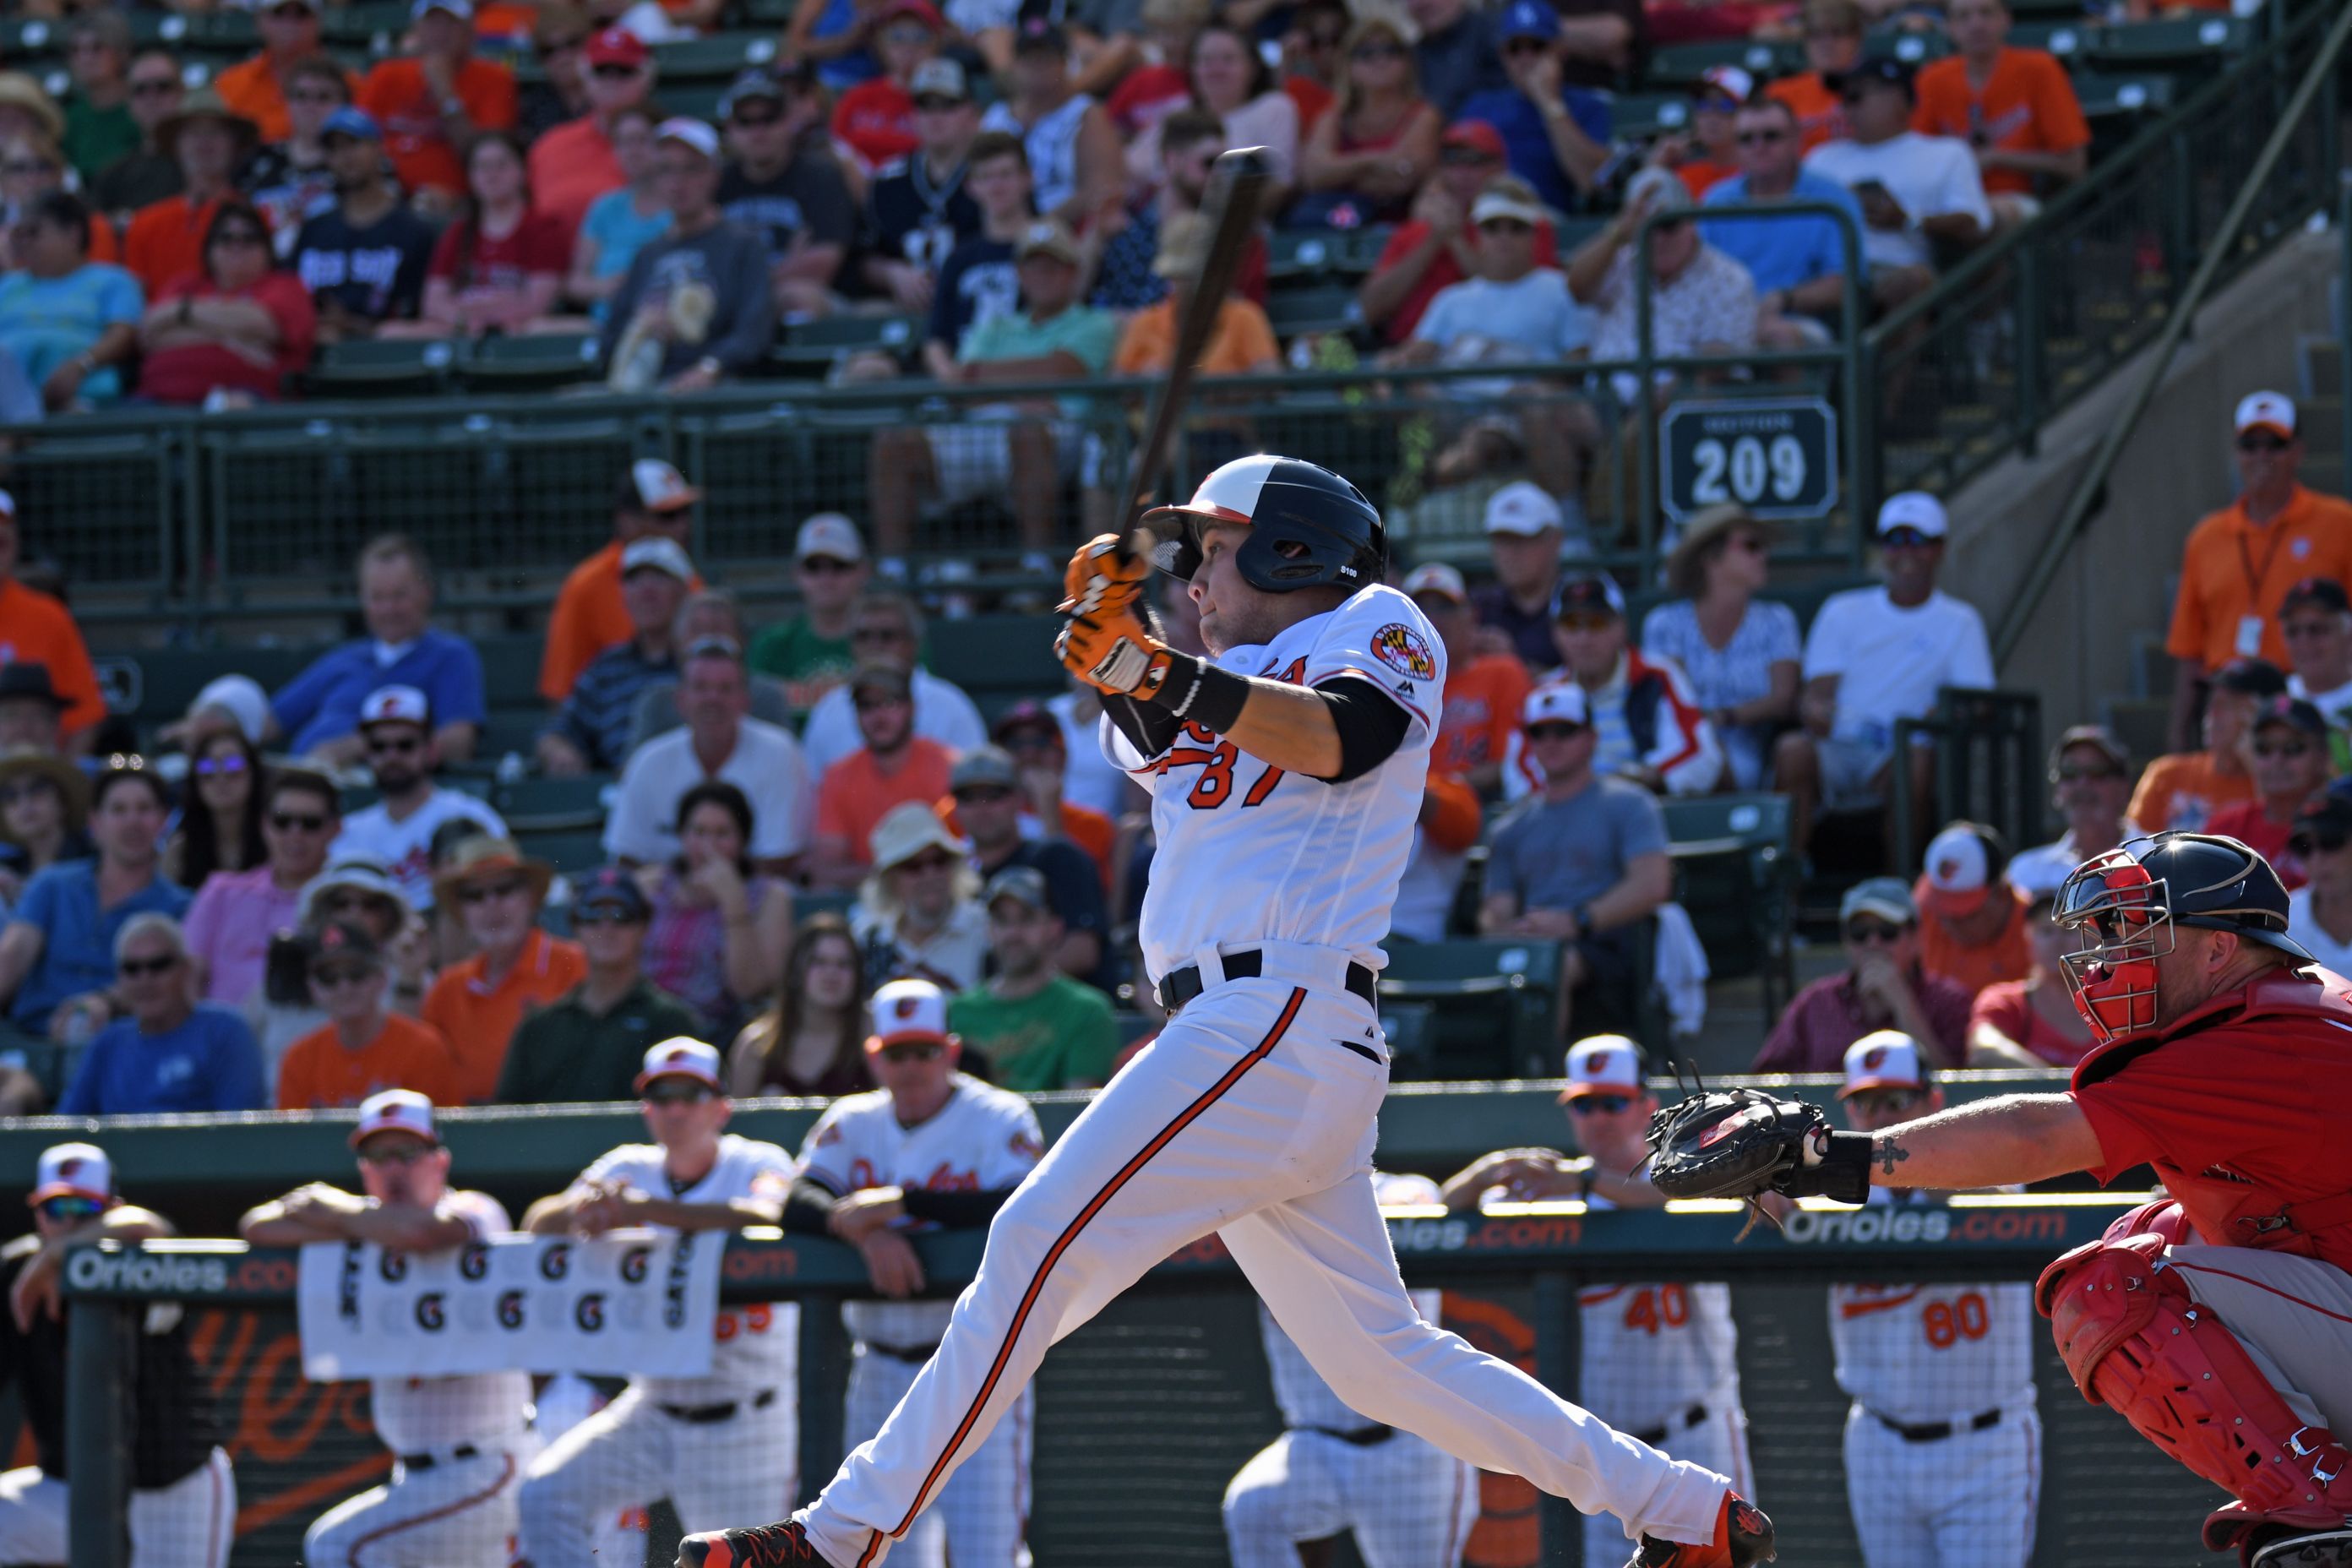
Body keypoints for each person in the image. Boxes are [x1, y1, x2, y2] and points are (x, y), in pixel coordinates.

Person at [679, 451, 1772, 1568]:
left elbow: (1339, 735)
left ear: (1291, 546)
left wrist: (1152, 663)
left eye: (1212, 552)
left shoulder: (1377, 620)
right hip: (1253, 1035)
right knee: (1379, 1362)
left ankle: (843, 1537)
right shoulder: (1221, 672)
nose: (1195, 580)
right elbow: (1155, 732)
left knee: (1033, 1237)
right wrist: (1111, 636)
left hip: (1278, 1010)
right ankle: (1686, 1511)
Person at [1725, 831, 2352, 1568]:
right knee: (2156, 1225)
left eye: (2133, 928)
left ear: (2218, 948)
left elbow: (2035, 1135)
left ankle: (2324, 1497)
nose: (2109, 954)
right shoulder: (2288, 1006)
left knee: (2113, 1283)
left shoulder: (2259, 1039)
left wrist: (1831, 1159)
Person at [1440, 1036, 1753, 1568]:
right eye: (1585, 1105)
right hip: (1608, 1453)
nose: (1599, 1119)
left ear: (1647, 1106)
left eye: (1612, 1103)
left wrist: (1584, 1180)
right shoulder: (1557, 1189)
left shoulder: (1684, 1172)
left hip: (1697, 1432)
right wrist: (1487, 1172)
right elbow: (1443, 1212)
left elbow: (1695, 1195)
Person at [782, 979, 1045, 1563]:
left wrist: (903, 1203)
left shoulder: (997, 1115)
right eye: (898, 1053)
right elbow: (797, 1200)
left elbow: (1022, 1200)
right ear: (875, 1057)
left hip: (977, 1363)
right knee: (881, 1553)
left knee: (987, 1554)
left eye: (925, 1051)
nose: (912, 1067)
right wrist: (862, 1230)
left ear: (950, 1051)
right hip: (878, 1365)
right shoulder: (853, 1120)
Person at [517, 1038, 798, 1565]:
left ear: (721, 1107)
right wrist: (585, 1208)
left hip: (743, 1419)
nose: (676, 1109)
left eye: (691, 1095)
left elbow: (770, 1216)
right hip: (652, 1408)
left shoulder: (755, 1160)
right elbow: (539, 1224)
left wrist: (645, 1210)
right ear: (646, 1108)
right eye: (663, 1096)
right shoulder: (628, 1166)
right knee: (544, 1497)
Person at [241, 1090, 537, 1566]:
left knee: (336, 1546)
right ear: (364, 1168)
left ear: (440, 1161)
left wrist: (339, 1213)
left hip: (488, 1465)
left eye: (408, 1153)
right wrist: (354, 1220)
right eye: (379, 1156)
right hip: (416, 1475)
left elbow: (425, 1233)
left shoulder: (478, 1209)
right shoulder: (361, 1222)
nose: (394, 1168)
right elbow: (257, 1225)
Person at [1824, 1032, 2042, 1568]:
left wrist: (1896, 1158)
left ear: (1934, 1102)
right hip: (1878, 1441)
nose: (1880, 1118)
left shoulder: (1986, 1166)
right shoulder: (1830, 1193)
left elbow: (1991, 1195)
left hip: (1983, 1442)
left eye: (1896, 1101)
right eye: (1865, 1104)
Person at [1223, 1169, 1479, 1566]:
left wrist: (1474, 1181)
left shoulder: (1401, 1191)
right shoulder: (1262, 1199)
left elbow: (1411, 1208)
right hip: (1316, 1446)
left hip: (1410, 1446)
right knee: (1253, 1508)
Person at [0, 1142, 237, 1568]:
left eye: (85, 1209)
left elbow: (147, 1226)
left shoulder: (139, 1258)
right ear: (36, 1213)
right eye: (55, 1209)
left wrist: (59, 1253)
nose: (69, 1222)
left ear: (112, 1208)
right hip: (73, 1493)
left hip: (172, 1492)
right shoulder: (16, 1274)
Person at [871, 217, 1118, 565]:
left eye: (1053, 266)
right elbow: (962, 383)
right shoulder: (995, 326)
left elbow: (1061, 370)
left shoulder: (1096, 323)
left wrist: (988, 378)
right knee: (894, 440)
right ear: (1020, 274)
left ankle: (1035, 566)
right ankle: (892, 571)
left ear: (1073, 272)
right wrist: (1022, 387)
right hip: (979, 430)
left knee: (1027, 431)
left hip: (1057, 434)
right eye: (1033, 267)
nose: (1042, 275)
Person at [1776, 493, 1993, 858]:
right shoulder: (1842, 610)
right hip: (1837, 749)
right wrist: (1815, 709)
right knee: (1791, 751)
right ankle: (1785, 884)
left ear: (1939, 549)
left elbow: (1977, 703)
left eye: (1917, 540)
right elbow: (1816, 693)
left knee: (1916, 759)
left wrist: (1934, 718)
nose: (1906, 551)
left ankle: (1901, 884)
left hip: (1899, 754)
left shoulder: (1961, 621)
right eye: (1894, 540)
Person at [1481, 683, 1673, 1037]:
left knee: (1551, 966)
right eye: (1539, 733)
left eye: (1564, 731)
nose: (1550, 742)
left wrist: (1577, 921)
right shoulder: (1509, 828)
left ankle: (1541, 1069)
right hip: (1534, 943)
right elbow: (1496, 912)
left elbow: (1652, 885)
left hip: (1607, 943)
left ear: (1591, 738)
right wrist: (1515, 931)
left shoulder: (1631, 804)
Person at [2165, 392, 2352, 753]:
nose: (2261, 456)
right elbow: (2189, 649)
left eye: (2275, 445)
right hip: (2227, 700)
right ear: (2236, 453)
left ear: (2298, 451)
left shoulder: (2340, 522)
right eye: (2250, 446)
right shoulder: (2206, 538)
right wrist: (2178, 736)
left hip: (2305, 698)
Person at [1387, 180, 1595, 503]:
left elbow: (1579, 359)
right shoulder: (1451, 299)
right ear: (1478, 235)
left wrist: (1531, 387)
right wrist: (1392, 364)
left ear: (1533, 235)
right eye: (1492, 227)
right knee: (1390, 387)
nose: (1504, 236)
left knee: (1510, 423)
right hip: (1454, 405)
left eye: (1516, 228)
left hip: (1523, 408)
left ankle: (1567, 517)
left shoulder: (1559, 290)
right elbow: (1417, 355)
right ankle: (1402, 500)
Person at [0, 765, 188, 1040]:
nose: (132, 821)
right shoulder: (52, 884)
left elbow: (172, 984)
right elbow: (12, 956)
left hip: (118, 1044)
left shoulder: (181, 907)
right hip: (29, 1040)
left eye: (144, 809)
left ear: (163, 821)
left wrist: (107, 1002)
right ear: (95, 823)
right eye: (119, 810)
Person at [270, 536, 488, 764]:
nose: (388, 609)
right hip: (299, 775)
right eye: (377, 597)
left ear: (426, 593)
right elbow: (270, 721)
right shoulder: (344, 658)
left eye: (399, 595)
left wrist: (357, 748)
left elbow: (458, 744)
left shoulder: (450, 656)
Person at [607, 636, 815, 873]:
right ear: (681, 700)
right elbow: (627, 856)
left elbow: (782, 861)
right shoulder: (649, 760)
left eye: (725, 689)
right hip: (665, 894)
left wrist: (718, 889)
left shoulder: (781, 754)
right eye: (700, 687)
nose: (713, 699)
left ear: (745, 700)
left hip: (756, 894)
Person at [498, 866, 702, 1102]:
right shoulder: (539, 1029)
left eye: (622, 915)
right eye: (592, 915)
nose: (607, 928)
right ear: (576, 926)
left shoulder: (671, 1022)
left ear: (644, 926)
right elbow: (508, 1117)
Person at [602, 117, 776, 393]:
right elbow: (610, 338)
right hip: (646, 386)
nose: (677, 182)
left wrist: (710, 367)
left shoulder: (743, 245)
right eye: (666, 170)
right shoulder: (648, 254)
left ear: (714, 174)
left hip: (716, 391)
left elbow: (753, 331)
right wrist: (641, 326)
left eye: (691, 169)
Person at [1803, 58, 1990, 312]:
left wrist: (1906, 220)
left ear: (1900, 99)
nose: (1845, 106)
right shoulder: (1821, 157)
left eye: (1856, 96)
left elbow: (1974, 223)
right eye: (1844, 98)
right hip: (1825, 272)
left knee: (1912, 281)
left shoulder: (1946, 153)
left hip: (1894, 269)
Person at [1512, 573, 1721, 798]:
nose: (1584, 638)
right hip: (1565, 812)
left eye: (1597, 623)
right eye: (1571, 625)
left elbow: (1701, 755)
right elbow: (1518, 772)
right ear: (1555, 634)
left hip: (1645, 807)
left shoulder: (1658, 676)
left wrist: (1637, 778)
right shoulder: (1543, 694)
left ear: (1620, 627)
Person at [1568, 166, 1759, 408]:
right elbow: (1575, 286)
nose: (1658, 238)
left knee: (1693, 394)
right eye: (1645, 226)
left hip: (1682, 408)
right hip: (1605, 403)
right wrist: (1617, 233)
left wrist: (1652, 408)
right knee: (1540, 401)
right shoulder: (1617, 260)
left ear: (1691, 220)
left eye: (1668, 225)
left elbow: (1716, 361)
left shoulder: (1729, 277)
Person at [1642, 506, 1800, 792]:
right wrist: (1704, 733)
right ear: (1711, 557)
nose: (1763, 556)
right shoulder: (1664, 623)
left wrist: (1724, 718)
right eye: (1751, 546)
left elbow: (1783, 699)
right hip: (1680, 746)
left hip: (1752, 753)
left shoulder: (1778, 620)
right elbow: (1670, 697)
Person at [1358, 117, 1557, 346]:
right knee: (1331, 350)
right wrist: (1433, 239)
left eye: (1476, 161)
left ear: (1501, 167)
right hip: (1410, 353)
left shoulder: (1521, 225)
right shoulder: (1415, 231)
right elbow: (1369, 310)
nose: (1464, 173)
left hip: (1497, 349)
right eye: (1453, 161)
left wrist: (1455, 239)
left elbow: (1520, 297)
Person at [421, 837, 587, 1101]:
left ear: (531, 898)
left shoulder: (576, 965)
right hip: (468, 1122)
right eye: (475, 895)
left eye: (504, 889)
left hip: (554, 1117)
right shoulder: (447, 988)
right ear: (461, 911)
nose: (491, 904)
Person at [1752, 876, 1973, 1071]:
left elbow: (1959, 1089)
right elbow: (1766, 1081)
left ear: (1916, 939)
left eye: (1887, 932)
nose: (1873, 943)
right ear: (1845, 940)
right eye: (1860, 933)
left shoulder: (1950, 1001)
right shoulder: (1814, 1003)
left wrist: (1903, 1004)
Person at [54, 914, 264, 1113]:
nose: (145, 980)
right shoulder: (108, 1044)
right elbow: (65, 1127)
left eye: (159, 965)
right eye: (132, 968)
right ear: (119, 978)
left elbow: (239, 1129)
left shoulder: (225, 1032)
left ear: (186, 969)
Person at [1701, 95, 1862, 349]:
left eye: (1771, 136)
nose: (1759, 146)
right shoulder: (1717, 200)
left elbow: (1846, 283)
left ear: (1797, 139)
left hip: (1802, 320)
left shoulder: (1833, 198)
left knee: (1777, 335)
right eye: (1746, 139)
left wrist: (1784, 299)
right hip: (1725, 322)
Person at [1911, 0, 2087, 231]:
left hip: (2022, 201)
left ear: (2006, 19)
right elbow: (1915, 157)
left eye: (1986, 13)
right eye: (1963, 16)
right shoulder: (1932, 78)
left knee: (1988, 214)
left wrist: (1996, 158)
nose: (1976, 24)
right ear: (1949, 27)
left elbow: (2074, 164)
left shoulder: (2040, 68)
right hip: (1949, 203)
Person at [329, 685, 509, 912]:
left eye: (405, 745)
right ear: (366, 753)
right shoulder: (348, 831)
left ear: (431, 749)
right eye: (379, 746)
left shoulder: (471, 815)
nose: (391, 756)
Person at [636, 780, 793, 1037]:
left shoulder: (769, 897)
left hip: (713, 1029)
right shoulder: (649, 886)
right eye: (698, 832)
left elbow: (750, 988)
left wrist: (734, 906)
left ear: (743, 840)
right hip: (642, 1019)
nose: (708, 847)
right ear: (682, 835)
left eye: (722, 834)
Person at [540, 458, 701, 704]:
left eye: (685, 513)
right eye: (668, 515)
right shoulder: (586, 585)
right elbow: (562, 694)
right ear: (627, 520)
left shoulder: (689, 578)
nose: (682, 525)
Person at [134, 197, 317, 406]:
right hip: (155, 397)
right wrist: (230, 338)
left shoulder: (285, 286)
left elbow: (264, 325)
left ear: (267, 247)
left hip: (249, 399)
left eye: (249, 238)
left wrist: (182, 314)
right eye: (225, 238)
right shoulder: (184, 286)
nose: (237, 246)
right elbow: (148, 335)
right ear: (209, 247)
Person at [947, 866, 1119, 1088]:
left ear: (1055, 928)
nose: (1013, 933)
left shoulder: (1087, 1011)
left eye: (1026, 919)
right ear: (989, 929)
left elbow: (1078, 1104)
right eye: (1002, 920)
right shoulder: (958, 1011)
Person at [182, 764, 339, 1005]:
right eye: (282, 821)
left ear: (335, 829)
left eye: (310, 823)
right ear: (264, 824)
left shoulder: (345, 903)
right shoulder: (221, 893)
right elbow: (186, 978)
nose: (295, 834)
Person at [1092, 106, 1273, 315]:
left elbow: (1241, 318)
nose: (1219, 174)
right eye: (1209, 163)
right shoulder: (1127, 231)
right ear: (1172, 160)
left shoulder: (1238, 238)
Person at [539, 535, 696, 775]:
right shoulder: (606, 668)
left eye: (660, 577)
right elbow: (558, 733)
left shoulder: (703, 664)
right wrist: (559, 750)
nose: (647, 591)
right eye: (634, 579)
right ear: (623, 595)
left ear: (684, 590)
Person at [389, 129, 569, 339]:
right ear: (470, 176)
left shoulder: (543, 228)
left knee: (535, 328)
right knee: (392, 332)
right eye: (482, 166)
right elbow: (433, 302)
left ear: (523, 171)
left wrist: (483, 315)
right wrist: (465, 320)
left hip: (517, 332)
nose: (492, 175)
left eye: (501, 165)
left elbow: (538, 303)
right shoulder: (458, 231)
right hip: (461, 329)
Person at [951, 744, 1109, 982]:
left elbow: (1082, 952)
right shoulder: (953, 875)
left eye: (994, 795)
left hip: (1065, 1002)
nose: (982, 808)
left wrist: (1009, 990)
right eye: (968, 797)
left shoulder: (1057, 857)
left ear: (1019, 799)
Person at [712, 67, 856, 318]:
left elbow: (821, 266)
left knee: (795, 296)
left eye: (769, 119)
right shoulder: (716, 182)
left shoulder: (820, 175)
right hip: (732, 302)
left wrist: (742, 282)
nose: (758, 132)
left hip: (816, 301)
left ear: (789, 121)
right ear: (729, 129)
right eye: (746, 122)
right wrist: (788, 267)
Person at [291, 107, 439, 341]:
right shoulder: (314, 229)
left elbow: (422, 316)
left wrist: (352, 325)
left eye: (353, 144)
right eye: (334, 148)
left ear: (379, 148)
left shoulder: (414, 231)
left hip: (385, 354)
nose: (345, 156)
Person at [277, 918, 458, 1108]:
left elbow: (448, 1123)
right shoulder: (300, 1059)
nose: (345, 987)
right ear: (313, 987)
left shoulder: (424, 1048)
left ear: (382, 978)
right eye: (329, 977)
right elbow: (289, 1126)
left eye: (357, 974)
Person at [357, 0, 519, 209]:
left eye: (451, 23)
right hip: (385, 200)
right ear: (417, 30)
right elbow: (355, 142)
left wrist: (444, 91)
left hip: (464, 204)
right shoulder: (387, 74)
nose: (440, 32)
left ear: (469, 31)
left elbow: (485, 159)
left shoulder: (494, 79)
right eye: (432, 23)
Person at [811, 665, 959, 890]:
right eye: (866, 706)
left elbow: (967, 857)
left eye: (890, 703)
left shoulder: (951, 767)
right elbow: (826, 871)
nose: (878, 716)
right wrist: (899, 874)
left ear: (912, 707)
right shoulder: (837, 776)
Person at [1456, 0, 1611, 215]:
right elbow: (1452, 174)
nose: (1526, 58)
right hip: (1481, 215)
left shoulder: (1588, 105)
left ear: (1560, 51)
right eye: (1514, 49)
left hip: (1546, 221)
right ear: (1502, 55)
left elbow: (1590, 181)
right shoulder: (1479, 105)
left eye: (1537, 46)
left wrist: (1549, 102)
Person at [1125, 20, 1300, 210]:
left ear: (1253, 67)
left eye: (1228, 60)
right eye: (1206, 60)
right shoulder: (1180, 110)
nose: (1216, 69)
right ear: (1192, 69)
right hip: (1162, 215)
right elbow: (1132, 165)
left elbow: (1280, 182)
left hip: (1238, 220)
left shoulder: (1273, 107)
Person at [858, 58, 984, 313]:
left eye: (948, 105)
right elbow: (861, 256)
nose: (935, 117)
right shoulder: (888, 181)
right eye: (925, 106)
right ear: (913, 115)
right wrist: (892, 273)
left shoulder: (994, 175)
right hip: (902, 309)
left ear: (972, 113)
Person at [1292, 13, 1440, 228]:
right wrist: (1374, 161)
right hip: (1335, 225)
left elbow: (1402, 181)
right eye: (1366, 53)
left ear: (1407, 62)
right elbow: (1313, 174)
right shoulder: (1334, 116)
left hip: (1397, 228)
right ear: (1348, 65)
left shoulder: (1424, 115)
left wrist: (1340, 174)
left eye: (1391, 51)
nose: (1380, 60)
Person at [0, 191, 141, 412]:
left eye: (34, 232)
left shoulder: (114, 281)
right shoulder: (8, 285)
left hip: (82, 394)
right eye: (19, 234)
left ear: (73, 234)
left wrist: (81, 365)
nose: (24, 242)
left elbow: (122, 335)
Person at [910, 129, 1032, 383]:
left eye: (1005, 175)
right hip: (965, 384)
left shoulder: (1048, 249)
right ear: (971, 187)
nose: (996, 186)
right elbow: (936, 339)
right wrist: (951, 378)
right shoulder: (958, 259)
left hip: (1026, 381)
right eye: (985, 177)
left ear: (1027, 178)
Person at [978, 16, 1122, 226]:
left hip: (1066, 232)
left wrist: (1035, 229)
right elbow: (976, 179)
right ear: (1015, 65)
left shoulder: (1085, 113)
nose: (1037, 66)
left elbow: (1101, 188)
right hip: (998, 229)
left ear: (1064, 63)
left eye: (1046, 59)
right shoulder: (996, 116)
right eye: (1029, 59)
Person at [1403, 561, 1527, 796]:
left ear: (1472, 615)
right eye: (1420, 610)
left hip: (1486, 804)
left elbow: (1508, 764)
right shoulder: (1393, 684)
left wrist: (1439, 791)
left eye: (1445, 607)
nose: (1433, 619)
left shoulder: (1502, 672)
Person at [122, 89, 258, 298]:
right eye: (193, 132)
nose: (204, 141)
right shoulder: (145, 225)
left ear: (234, 144)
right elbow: (135, 301)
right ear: (176, 145)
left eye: (215, 132)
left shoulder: (257, 217)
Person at [725, 910, 872, 1096]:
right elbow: (738, 1113)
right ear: (796, 970)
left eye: (844, 964)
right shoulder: (756, 1047)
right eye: (818, 962)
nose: (832, 974)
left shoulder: (873, 1038)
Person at [852, 800, 991, 993]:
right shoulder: (867, 940)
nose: (930, 875)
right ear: (890, 879)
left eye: (939, 861)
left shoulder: (987, 930)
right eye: (913, 866)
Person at [529, 27, 657, 235]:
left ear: (646, 79)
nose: (612, 81)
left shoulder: (667, 142)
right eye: (601, 71)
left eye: (624, 71)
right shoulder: (550, 145)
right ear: (585, 78)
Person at [2131, 656, 2280, 833]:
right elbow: (2133, 846)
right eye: (2211, 701)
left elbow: (2279, 842)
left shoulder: (2288, 785)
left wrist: (2257, 768)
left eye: (2228, 704)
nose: (2213, 713)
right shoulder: (2166, 775)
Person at [980, 700, 1119, 885]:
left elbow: (1076, 894)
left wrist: (1049, 815)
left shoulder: (1093, 826)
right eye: (1015, 744)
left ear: (1062, 756)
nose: (1029, 754)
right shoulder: (963, 814)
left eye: (1041, 742)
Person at [0, 503, 106, 745]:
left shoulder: (49, 615)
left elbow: (85, 715)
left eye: (4, 525)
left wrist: (59, 768)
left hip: (39, 761)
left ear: (15, 541)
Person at [749, 514, 871, 721]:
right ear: (796, 573)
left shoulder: (888, 639)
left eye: (839, 565)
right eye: (813, 567)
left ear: (863, 571)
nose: (826, 578)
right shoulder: (772, 645)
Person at [2206, 696, 2333, 890]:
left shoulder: (2342, 832)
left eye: (2293, 748)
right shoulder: (2225, 831)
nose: (2277, 760)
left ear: (2323, 757)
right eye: (2264, 748)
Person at [1966, 894, 2093, 1069]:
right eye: (2046, 931)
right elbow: (1984, 1048)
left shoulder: (2115, 1000)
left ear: (2092, 938)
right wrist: (2054, 1080)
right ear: (2028, 938)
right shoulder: (2007, 1002)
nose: (2057, 941)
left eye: (2068, 930)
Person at [568, 103, 669, 321]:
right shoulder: (604, 208)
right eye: (624, 142)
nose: (633, 151)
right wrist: (604, 287)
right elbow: (576, 282)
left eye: (641, 140)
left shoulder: (682, 207)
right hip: (605, 326)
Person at [2009, 726, 2137, 897]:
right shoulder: (2026, 872)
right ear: (2056, 791)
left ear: (2124, 787)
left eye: (2097, 772)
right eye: (2069, 773)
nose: (2082, 783)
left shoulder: (2157, 857)